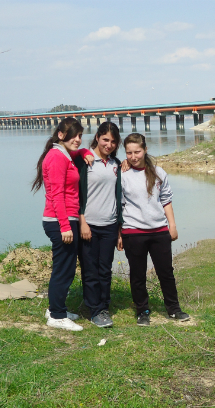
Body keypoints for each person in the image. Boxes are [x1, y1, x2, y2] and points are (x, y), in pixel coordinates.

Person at [117, 133, 190, 326]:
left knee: (166, 271)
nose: (133, 157)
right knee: (137, 273)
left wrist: (172, 225)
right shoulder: (122, 174)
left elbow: (166, 199)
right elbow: (119, 205)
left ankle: (174, 309)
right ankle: (143, 311)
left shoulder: (159, 172)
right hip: (133, 231)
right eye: (129, 153)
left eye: (137, 152)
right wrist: (119, 234)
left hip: (159, 230)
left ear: (145, 150)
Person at [32, 117, 92, 331]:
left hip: (65, 219)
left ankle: (55, 308)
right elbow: (56, 194)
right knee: (63, 269)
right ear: (60, 135)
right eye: (74, 135)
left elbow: (76, 152)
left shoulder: (62, 153)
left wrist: (84, 152)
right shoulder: (56, 157)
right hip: (59, 221)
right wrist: (65, 226)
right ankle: (56, 316)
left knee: (64, 267)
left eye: (80, 136)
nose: (77, 139)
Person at [76, 122, 122, 328]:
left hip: (110, 225)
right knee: (90, 268)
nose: (109, 144)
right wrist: (82, 221)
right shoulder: (85, 161)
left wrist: (120, 229)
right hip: (89, 225)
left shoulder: (117, 164)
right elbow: (76, 194)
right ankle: (95, 309)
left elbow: (119, 196)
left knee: (105, 269)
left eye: (113, 141)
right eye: (105, 140)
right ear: (97, 137)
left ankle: (103, 305)